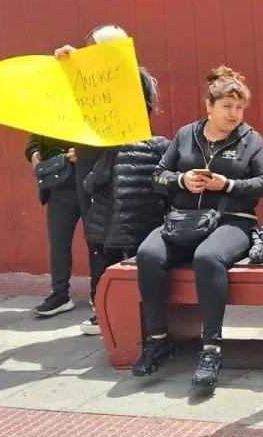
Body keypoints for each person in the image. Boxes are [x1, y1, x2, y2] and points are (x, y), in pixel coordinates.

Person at [133, 66, 263, 387]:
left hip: (232, 221)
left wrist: (227, 185)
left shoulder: (251, 139)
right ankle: (158, 339)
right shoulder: (186, 135)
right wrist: (181, 180)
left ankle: (211, 348)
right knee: (148, 254)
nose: (234, 114)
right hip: (183, 220)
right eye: (227, 107)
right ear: (209, 107)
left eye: (239, 108)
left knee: (207, 258)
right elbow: (157, 176)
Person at [26, 24, 131, 316]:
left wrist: (84, 152)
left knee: (97, 240)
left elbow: (117, 130)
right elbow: (35, 136)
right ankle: (60, 294)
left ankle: (101, 295)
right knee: (58, 241)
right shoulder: (57, 98)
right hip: (59, 183)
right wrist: (34, 154)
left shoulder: (108, 90)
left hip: (92, 180)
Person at [78, 68, 170, 335]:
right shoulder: (156, 146)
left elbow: (92, 183)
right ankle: (121, 318)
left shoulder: (117, 145)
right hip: (131, 223)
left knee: (113, 265)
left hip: (117, 226)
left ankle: (112, 316)